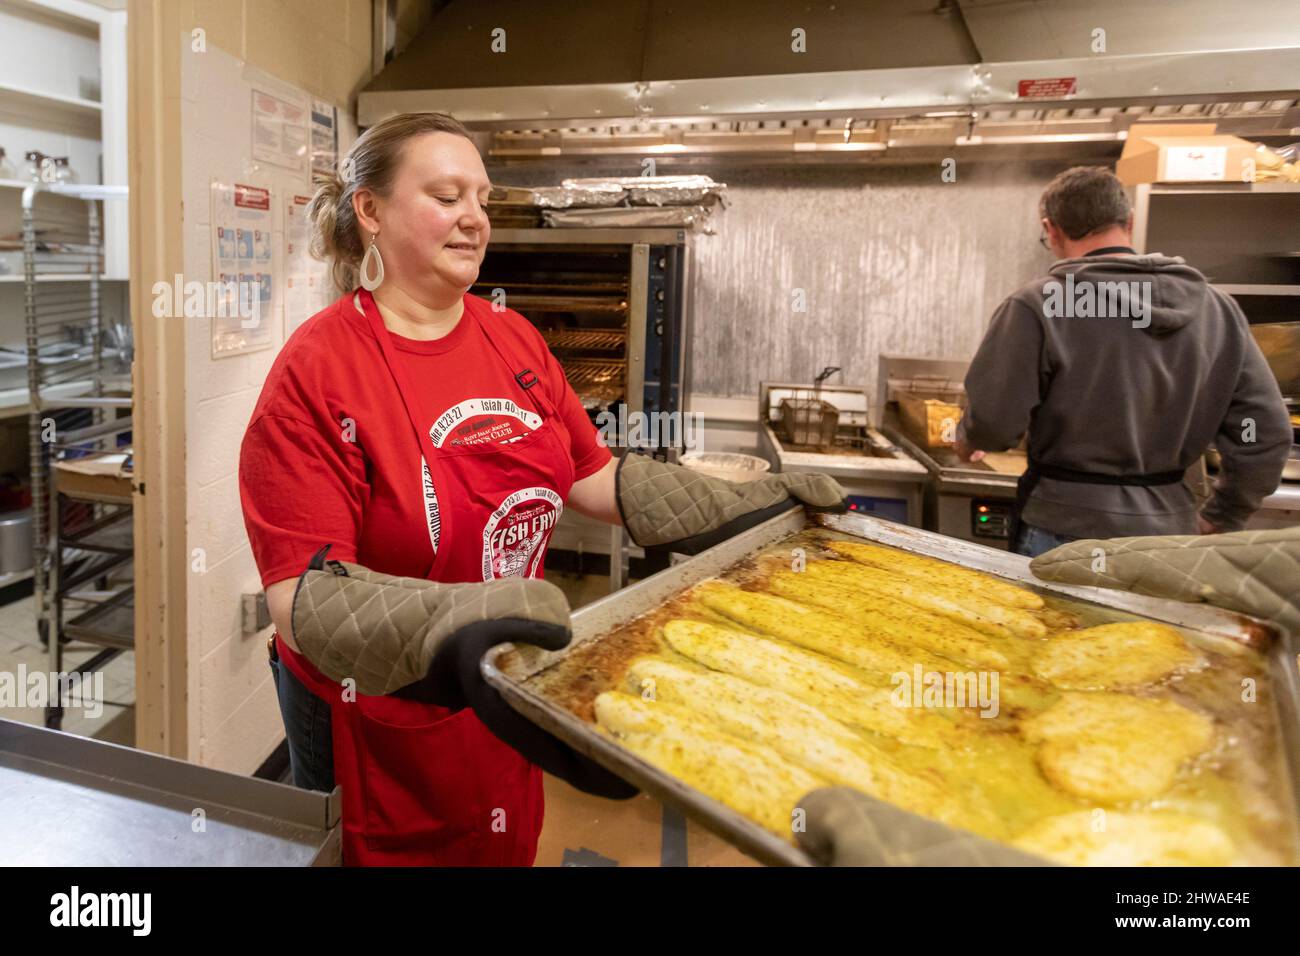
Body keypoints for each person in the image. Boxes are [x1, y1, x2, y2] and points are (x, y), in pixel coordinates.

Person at [238, 111, 845, 866]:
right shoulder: (317, 372)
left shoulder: (511, 338)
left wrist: (732, 503)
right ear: (370, 211)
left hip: (502, 688)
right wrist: (457, 630)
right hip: (384, 716)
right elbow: (300, 599)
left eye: (482, 199)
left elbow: (590, 474)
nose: (474, 220)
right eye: (446, 195)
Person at [954, 165, 1290, 557]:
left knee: (1057, 622)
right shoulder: (1216, 310)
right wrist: (1224, 513)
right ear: (1128, 223)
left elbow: (995, 423)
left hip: (1063, 530)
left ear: (1052, 229)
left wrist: (968, 438)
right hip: (1170, 536)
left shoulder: (1041, 305)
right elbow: (1263, 433)